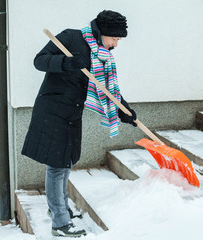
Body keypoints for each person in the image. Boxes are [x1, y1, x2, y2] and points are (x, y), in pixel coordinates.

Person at [21, 10, 137, 238]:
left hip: (72, 113)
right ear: (104, 33)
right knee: (57, 165)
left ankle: (58, 208)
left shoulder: (103, 54)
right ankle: (60, 224)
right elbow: (39, 61)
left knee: (66, 162)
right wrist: (68, 62)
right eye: (115, 38)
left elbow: (108, 89)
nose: (116, 44)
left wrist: (124, 111)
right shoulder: (71, 38)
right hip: (53, 110)